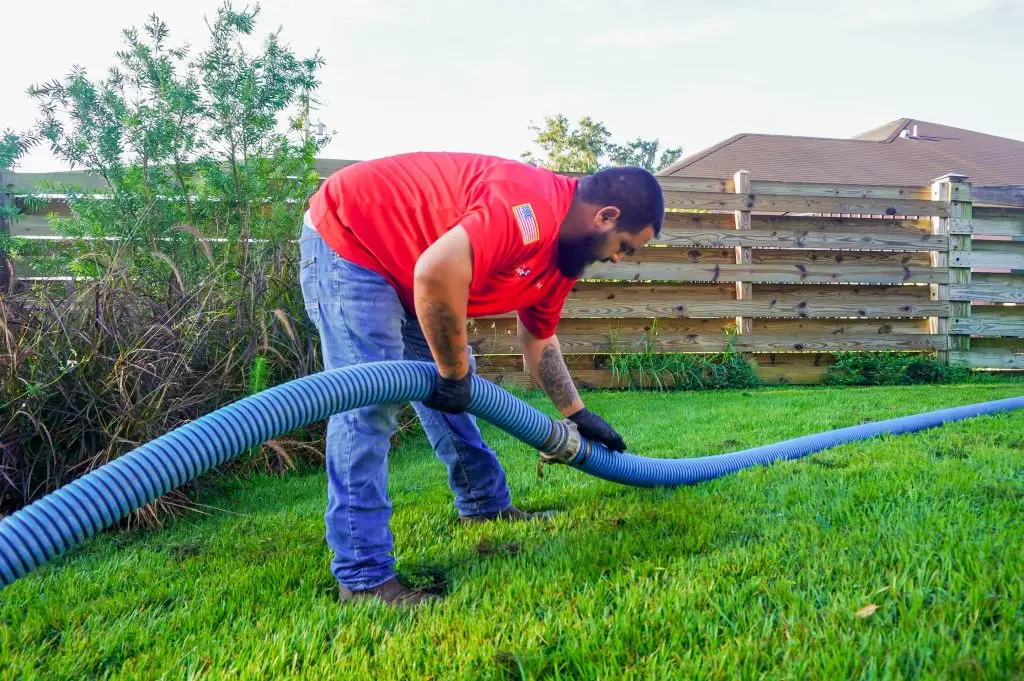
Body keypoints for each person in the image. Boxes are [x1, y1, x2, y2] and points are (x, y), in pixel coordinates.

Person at [298, 151, 664, 605]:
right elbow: (437, 271)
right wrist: (454, 372)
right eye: (625, 246)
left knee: (454, 390)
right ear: (606, 216)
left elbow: (539, 339)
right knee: (368, 403)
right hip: (353, 238)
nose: (618, 260)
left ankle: (484, 506)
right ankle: (364, 579)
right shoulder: (527, 208)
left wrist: (577, 413)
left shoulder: (564, 258)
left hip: (412, 265)